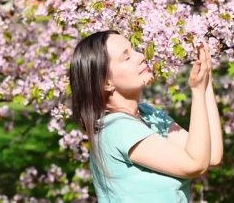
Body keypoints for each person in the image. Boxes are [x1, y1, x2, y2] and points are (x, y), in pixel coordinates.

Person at [69, 30, 223, 202]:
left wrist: (206, 82)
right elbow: (195, 166)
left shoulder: (148, 114)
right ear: (106, 82)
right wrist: (197, 91)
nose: (141, 56)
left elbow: (212, 155)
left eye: (134, 49)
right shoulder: (117, 129)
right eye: (126, 57)